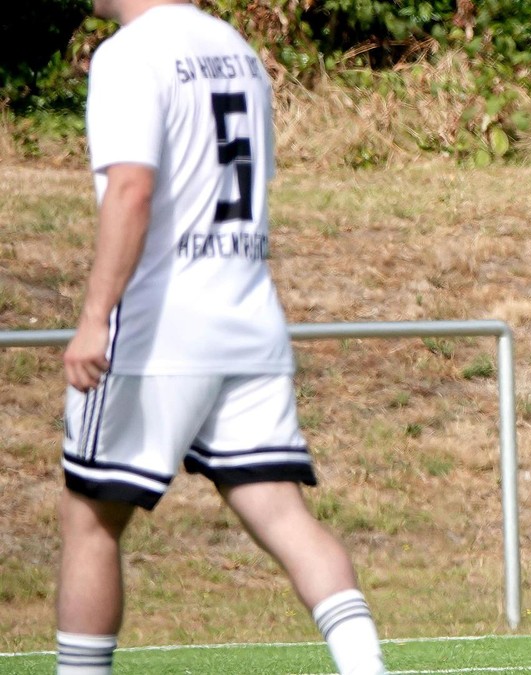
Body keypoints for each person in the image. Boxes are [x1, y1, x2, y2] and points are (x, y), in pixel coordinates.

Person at [56, 2, 386, 674]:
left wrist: (95, 316)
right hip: (247, 320)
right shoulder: (234, 47)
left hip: (156, 331)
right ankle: (367, 668)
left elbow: (132, 190)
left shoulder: (130, 52)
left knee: (90, 521)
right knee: (285, 517)